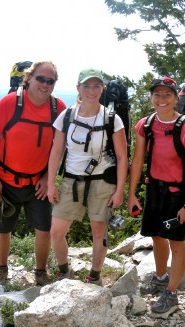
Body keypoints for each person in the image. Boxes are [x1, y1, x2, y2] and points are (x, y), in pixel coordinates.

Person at [0, 61, 67, 286]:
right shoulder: (9, 103)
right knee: (3, 228)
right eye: (41, 79)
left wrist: (47, 178)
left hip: (37, 182)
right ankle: (1, 268)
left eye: (50, 81)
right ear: (29, 78)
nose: (45, 84)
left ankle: (40, 272)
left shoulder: (58, 108)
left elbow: (60, 148)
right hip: (5, 179)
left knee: (44, 229)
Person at [128, 76, 185, 313]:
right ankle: (161, 278)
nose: (161, 99)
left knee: (177, 243)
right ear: (151, 98)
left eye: (167, 95)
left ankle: (171, 294)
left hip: (177, 194)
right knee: (156, 237)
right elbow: (138, 160)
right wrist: (132, 195)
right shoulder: (146, 125)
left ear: (175, 98)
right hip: (154, 189)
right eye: (157, 95)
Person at [47, 68, 127, 286]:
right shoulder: (67, 116)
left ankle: (95, 275)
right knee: (56, 231)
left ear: (102, 88)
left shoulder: (112, 119)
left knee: (98, 231)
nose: (91, 91)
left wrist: (119, 191)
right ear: (78, 88)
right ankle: (64, 270)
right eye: (87, 86)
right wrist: (50, 184)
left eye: (96, 86)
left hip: (102, 181)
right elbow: (56, 151)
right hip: (71, 180)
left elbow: (122, 157)